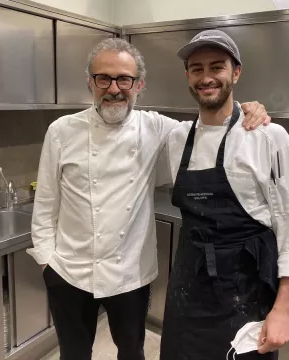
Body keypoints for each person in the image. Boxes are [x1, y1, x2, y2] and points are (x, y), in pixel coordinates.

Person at [27, 37, 271, 360]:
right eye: (104, 78)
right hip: (69, 273)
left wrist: (247, 110)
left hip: (130, 276)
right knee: (73, 355)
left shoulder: (158, 129)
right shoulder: (60, 132)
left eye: (124, 79)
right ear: (90, 83)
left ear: (139, 84)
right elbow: (44, 206)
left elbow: (212, 128)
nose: (114, 88)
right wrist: (48, 264)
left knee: (132, 352)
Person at [159, 29, 289, 360]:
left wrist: (282, 311)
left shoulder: (268, 138)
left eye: (217, 67)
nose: (207, 77)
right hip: (186, 295)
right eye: (197, 68)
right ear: (187, 76)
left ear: (236, 72)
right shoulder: (177, 138)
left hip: (245, 298)